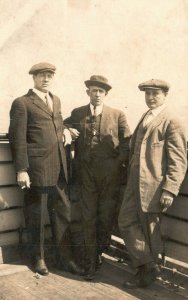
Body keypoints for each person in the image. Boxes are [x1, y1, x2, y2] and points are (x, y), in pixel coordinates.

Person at [8, 62, 82, 276]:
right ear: (33, 78)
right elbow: (18, 139)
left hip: (59, 167)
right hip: (37, 171)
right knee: (36, 217)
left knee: (62, 214)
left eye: (50, 75)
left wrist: (66, 131)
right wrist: (22, 169)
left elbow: (56, 125)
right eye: (41, 75)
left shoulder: (55, 100)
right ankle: (37, 258)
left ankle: (63, 258)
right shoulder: (22, 103)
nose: (46, 79)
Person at [118, 79, 187, 288]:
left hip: (154, 186)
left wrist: (170, 189)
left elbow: (179, 159)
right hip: (133, 183)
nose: (150, 97)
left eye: (155, 94)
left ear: (165, 95)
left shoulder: (171, 120)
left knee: (150, 229)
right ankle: (148, 265)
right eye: (147, 94)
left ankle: (146, 273)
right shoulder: (146, 116)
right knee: (125, 220)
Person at [65, 75, 131, 280]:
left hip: (109, 178)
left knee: (105, 217)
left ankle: (99, 251)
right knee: (88, 217)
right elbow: (59, 124)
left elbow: (127, 143)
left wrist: (115, 165)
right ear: (88, 93)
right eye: (93, 90)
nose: (97, 94)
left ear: (106, 94)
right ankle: (90, 262)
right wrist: (67, 130)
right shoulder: (78, 113)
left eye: (100, 91)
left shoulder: (117, 115)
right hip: (85, 176)